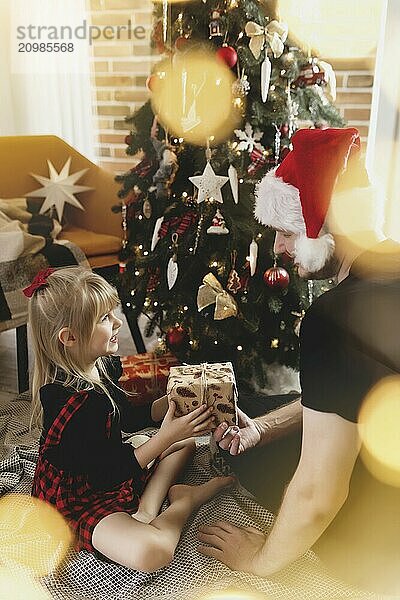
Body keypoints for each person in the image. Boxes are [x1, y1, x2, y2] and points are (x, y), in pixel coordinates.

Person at [197, 127, 400, 595]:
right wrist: (264, 427)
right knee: (272, 415)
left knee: (261, 467)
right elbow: (348, 391)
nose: (279, 249)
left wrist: (261, 560)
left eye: (287, 232)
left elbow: (317, 495)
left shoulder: (333, 319)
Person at [25, 266, 233, 572]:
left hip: (111, 463)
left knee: (186, 442)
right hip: (80, 499)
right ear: (69, 337)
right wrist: (163, 438)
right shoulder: (70, 404)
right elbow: (104, 475)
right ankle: (183, 502)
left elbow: (124, 417)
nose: (118, 322)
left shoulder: (102, 365)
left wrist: (167, 404)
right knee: (153, 554)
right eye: (105, 319)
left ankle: (147, 510)